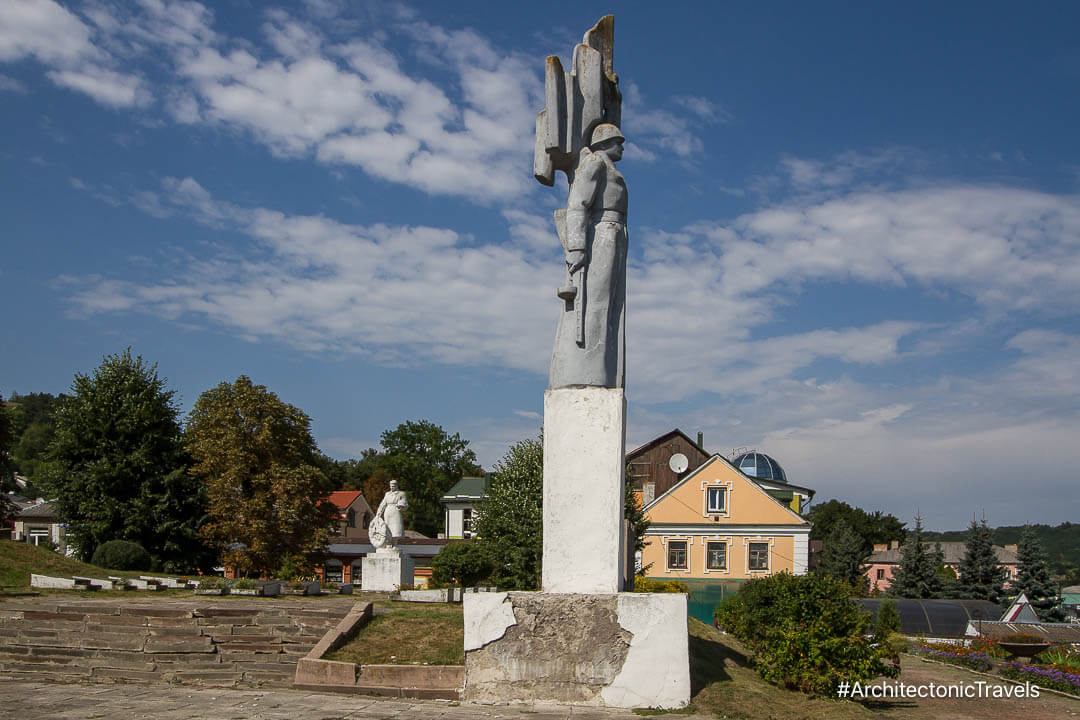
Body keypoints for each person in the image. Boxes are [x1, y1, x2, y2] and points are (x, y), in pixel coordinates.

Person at [550, 122, 628, 389]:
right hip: (600, 235)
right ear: (604, 142)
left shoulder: (608, 166)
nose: (622, 145)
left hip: (615, 234)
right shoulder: (594, 162)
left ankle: (601, 368)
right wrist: (578, 246)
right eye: (617, 140)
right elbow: (578, 205)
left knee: (609, 306)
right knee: (595, 302)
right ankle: (587, 371)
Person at [371, 480, 408, 548]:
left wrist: (401, 505)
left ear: (396, 486)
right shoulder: (387, 494)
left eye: (393, 486)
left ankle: (395, 544)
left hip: (396, 511)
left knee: (396, 528)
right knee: (387, 528)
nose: (392, 487)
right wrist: (378, 514)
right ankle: (388, 543)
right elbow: (383, 504)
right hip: (388, 511)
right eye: (391, 486)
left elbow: (405, 503)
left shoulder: (401, 494)